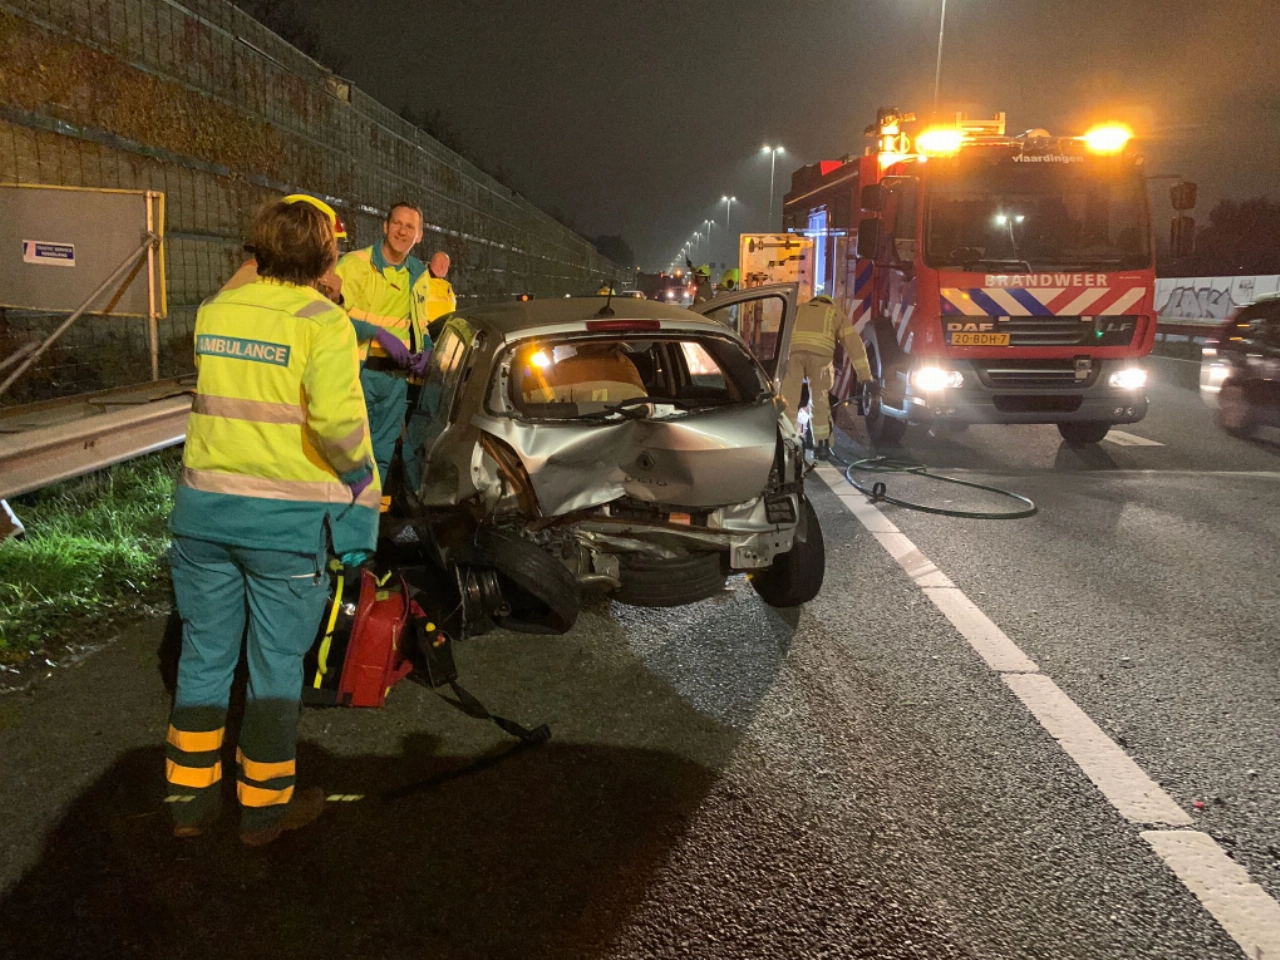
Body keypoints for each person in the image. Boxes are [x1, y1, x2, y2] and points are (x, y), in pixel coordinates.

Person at [166, 200, 380, 846]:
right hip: (284, 530)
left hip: (203, 516)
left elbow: (242, 294)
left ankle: (188, 804)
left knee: (203, 659)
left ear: (256, 251)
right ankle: (262, 812)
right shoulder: (323, 322)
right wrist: (362, 483)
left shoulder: (215, 312)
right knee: (275, 670)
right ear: (325, 257)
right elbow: (338, 424)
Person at [335, 202, 430, 512]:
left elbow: (420, 323)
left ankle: (368, 521)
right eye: (397, 224)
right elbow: (331, 316)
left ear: (419, 235)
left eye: (410, 227)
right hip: (357, 374)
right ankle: (341, 518)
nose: (402, 231)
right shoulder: (355, 264)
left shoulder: (419, 274)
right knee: (349, 451)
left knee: (382, 454)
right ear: (385, 227)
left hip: (395, 380)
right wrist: (376, 333)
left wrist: (427, 347)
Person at [781, 294, 872, 459]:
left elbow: (783, 334)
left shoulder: (799, 309)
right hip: (821, 358)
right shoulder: (835, 312)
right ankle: (821, 446)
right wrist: (865, 377)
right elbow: (854, 346)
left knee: (788, 400)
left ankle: (785, 443)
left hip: (795, 354)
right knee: (819, 401)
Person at [418, 251, 458, 347]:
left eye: (447, 266)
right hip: (428, 337)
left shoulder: (447, 286)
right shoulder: (420, 283)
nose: (446, 269)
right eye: (445, 265)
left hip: (446, 336)